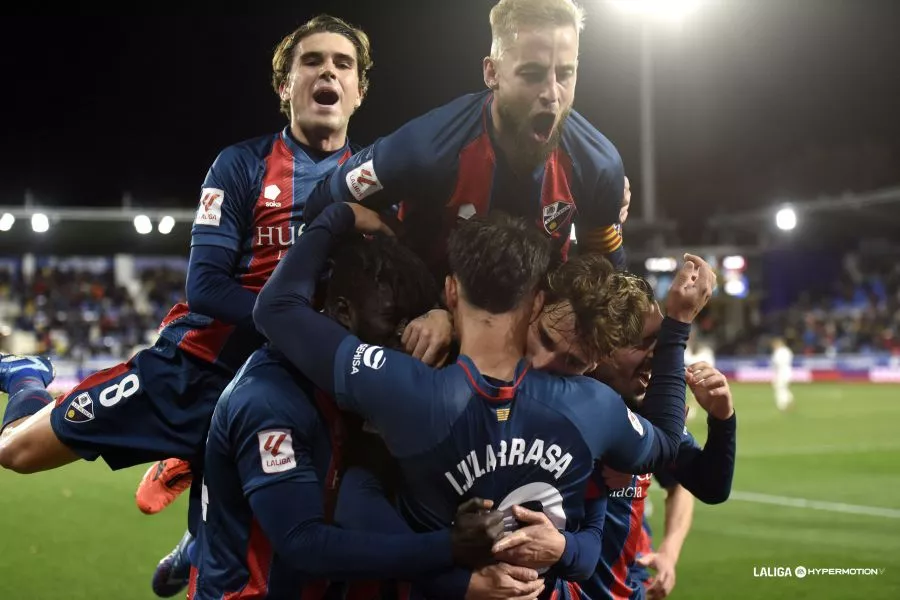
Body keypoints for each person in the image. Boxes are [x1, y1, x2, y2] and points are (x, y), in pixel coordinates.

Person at [0, 13, 372, 597]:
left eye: (343, 64)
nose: (328, 70)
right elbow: (205, 289)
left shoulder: (378, 178)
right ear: (285, 86)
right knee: (17, 451)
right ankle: (26, 377)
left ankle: (200, 520)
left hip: (294, 388)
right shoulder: (242, 165)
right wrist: (302, 328)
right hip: (193, 371)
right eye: (312, 61)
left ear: (359, 89)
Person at [254, 202, 715, 594]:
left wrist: (335, 217)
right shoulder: (592, 408)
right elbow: (667, 448)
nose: (546, 359)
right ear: (534, 303)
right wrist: (677, 326)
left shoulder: (406, 385)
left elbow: (276, 309)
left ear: (451, 290)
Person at [191, 234, 534, 599]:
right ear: (342, 311)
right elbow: (303, 544)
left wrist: (440, 317)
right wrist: (450, 546)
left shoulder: (346, 389)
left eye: (411, 318)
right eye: (391, 318)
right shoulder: (269, 400)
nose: (406, 333)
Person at [301, 0, 630, 278]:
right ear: (492, 73)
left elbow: (603, 280)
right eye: (532, 74)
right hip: (429, 326)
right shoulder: (423, 151)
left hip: (536, 331)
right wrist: (372, 227)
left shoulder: (599, 166)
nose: (551, 94)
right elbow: (323, 204)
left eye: (566, 73)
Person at [771, 337, 794, 411]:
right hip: (788, 372)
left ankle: (782, 405)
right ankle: (790, 400)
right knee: (784, 388)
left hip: (781, 372)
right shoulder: (787, 351)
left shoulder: (778, 352)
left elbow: (776, 364)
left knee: (780, 388)